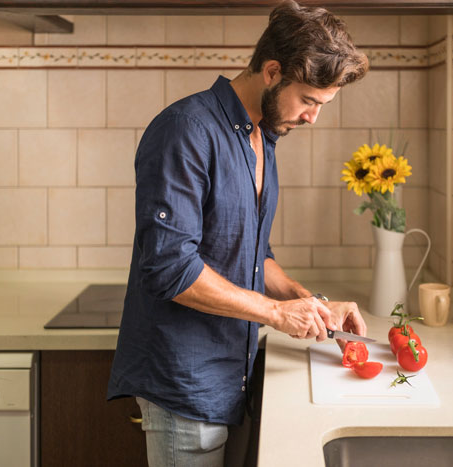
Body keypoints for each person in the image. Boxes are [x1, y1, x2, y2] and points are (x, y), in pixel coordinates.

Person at [107, 1, 369, 465]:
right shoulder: (186, 130)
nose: (313, 118)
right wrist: (275, 313)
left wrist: (311, 304)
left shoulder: (261, 136)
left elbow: (251, 255)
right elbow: (171, 269)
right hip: (184, 384)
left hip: (230, 375)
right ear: (272, 71)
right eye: (308, 101)